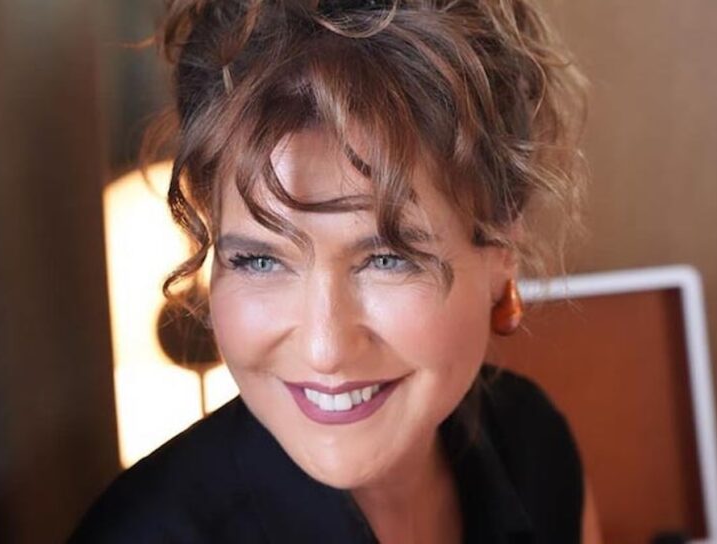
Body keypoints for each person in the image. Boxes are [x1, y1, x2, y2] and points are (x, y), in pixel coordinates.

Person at [71, 0, 594, 541]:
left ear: (503, 248)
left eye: (388, 259)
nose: (326, 349)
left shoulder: (532, 445)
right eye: (260, 260)